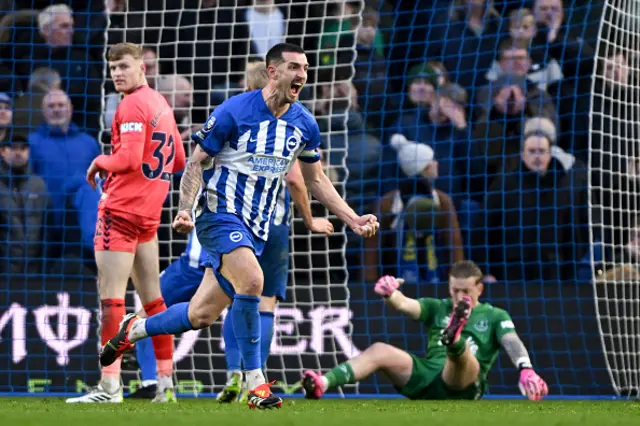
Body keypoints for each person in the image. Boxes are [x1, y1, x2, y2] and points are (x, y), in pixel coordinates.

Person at [99, 42, 379, 410]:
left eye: (306, 68)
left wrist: (352, 217)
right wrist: (185, 209)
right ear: (273, 71)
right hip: (219, 216)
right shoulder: (233, 111)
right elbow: (196, 162)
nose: (302, 75)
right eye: (294, 67)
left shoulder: (304, 124)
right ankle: (255, 383)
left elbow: (316, 180)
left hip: (258, 228)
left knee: (199, 315)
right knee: (253, 281)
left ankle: (133, 330)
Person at [128, 61, 334, 401]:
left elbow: (305, 177)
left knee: (201, 308)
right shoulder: (242, 117)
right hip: (243, 227)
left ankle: (151, 362)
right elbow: (297, 179)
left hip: (243, 233)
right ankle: (245, 377)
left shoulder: (283, 121)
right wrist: (310, 220)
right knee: (252, 296)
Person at [66, 42, 186, 404]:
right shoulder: (160, 104)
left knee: (112, 300)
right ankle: (166, 386)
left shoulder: (131, 104)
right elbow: (178, 160)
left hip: (119, 212)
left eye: (124, 66)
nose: (117, 73)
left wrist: (101, 160)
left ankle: (110, 386)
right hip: (148, 215)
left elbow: (130, 158)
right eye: (113, 67)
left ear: (142, 69)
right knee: (154, 303)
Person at [301, 260, 549, 401]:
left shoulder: (495, 315)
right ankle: (322, 382)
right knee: (379, 350)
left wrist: (526, 369)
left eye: (466, 292)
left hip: (465, 384)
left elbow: (511, 341)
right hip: (428, 376)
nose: (459, 297)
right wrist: (390, 293)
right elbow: (405, 305)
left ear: (480, 290)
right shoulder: (437, 307)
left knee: (462, 357)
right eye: (455, 291)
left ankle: (455, 338)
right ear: (449, 288)